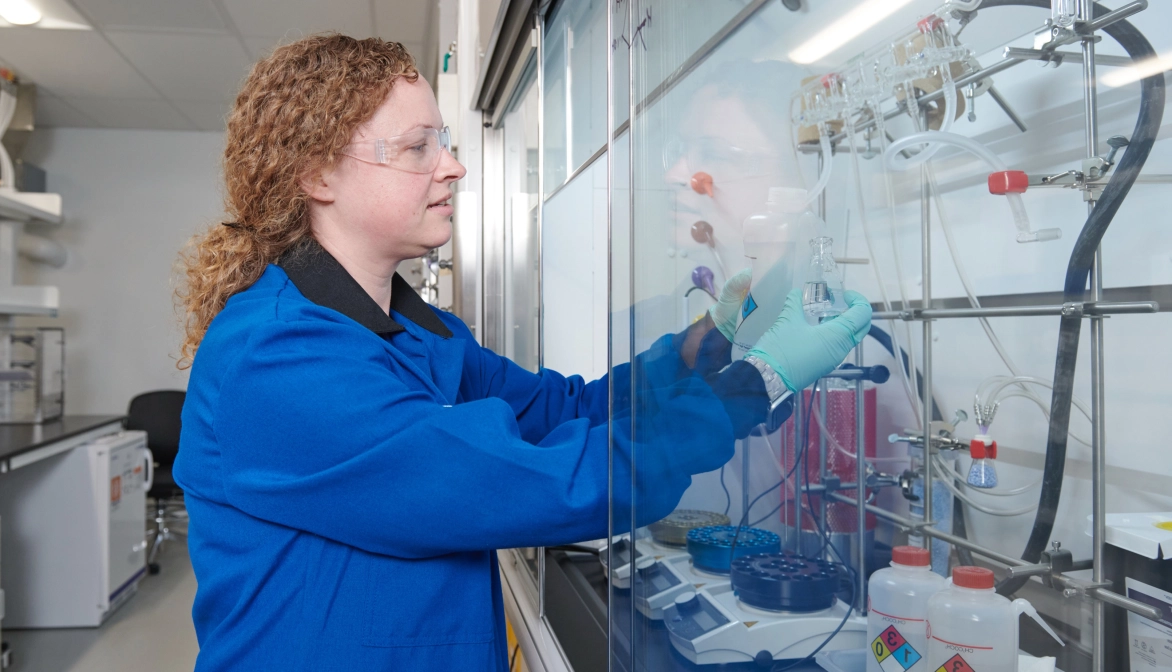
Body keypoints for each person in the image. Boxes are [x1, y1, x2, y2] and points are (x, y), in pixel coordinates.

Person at [174, 35, 871, 671]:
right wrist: (761, 380)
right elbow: (541, 480)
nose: (454, 165)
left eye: (444, 142)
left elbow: (564, 409)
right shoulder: (276, 358)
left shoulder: (422, 334)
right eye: (419, 147)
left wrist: (709, 343)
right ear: (319, 176)